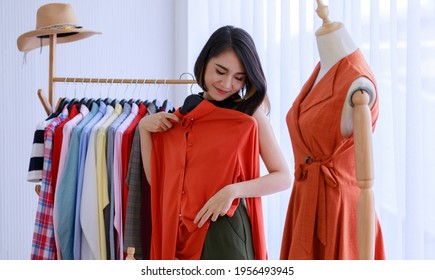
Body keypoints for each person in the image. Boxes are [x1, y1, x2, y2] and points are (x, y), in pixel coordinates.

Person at [138, 25, 292, 260]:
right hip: (180, 235)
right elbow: (158, 182)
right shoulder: (183, 116)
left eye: (239, 78)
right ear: (204, 62)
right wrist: (143, 130)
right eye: (220, 71)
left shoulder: (248, 115)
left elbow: (283, 177)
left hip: (224, 231)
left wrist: (233, 190)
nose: (227, 84)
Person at [280, 1, 385, 260]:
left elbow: (366, 186)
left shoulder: (358, 84)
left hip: (339, 213)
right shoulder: (322, 70)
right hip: (305, 205)